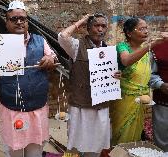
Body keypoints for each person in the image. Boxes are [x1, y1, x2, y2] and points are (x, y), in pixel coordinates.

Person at [0, 0, 56, 157]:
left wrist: (51, 60)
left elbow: (53, 59)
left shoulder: (40, 41)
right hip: (11, 109)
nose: (19, 22)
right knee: (15, 151)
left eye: (22, 18)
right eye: (13, 19)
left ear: (27, 21)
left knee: (35, 151)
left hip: (37, 109)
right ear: (7, 22)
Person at [58, 13, 117, 157]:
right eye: (96, 25)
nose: (100, 29)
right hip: (81, 105)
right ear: (88, 28)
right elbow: (62, 36)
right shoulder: (77, 46)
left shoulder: (108, 50)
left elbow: (111, 75)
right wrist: (81, 20)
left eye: (103, 26)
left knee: (96, 146)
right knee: (77, 145)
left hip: (100, 106)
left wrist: (116, 76)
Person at [110, 17, 164, 146]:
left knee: (136, 136)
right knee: (122, 134)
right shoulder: (122, 47)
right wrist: (150, 45)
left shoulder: (146, 51)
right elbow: (126, 61)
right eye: (141, 29)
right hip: (124, 100)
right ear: (129, 33)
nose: (146, 31)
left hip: (140, 99)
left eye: (146, 28)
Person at [150, 33, 168, 152]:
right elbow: (149, 73)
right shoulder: (157, 46)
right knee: (162, 143)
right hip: (164, 103)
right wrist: (160, 84)